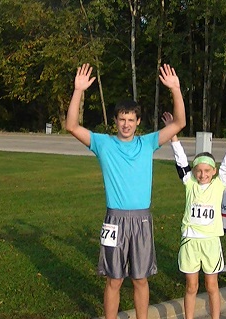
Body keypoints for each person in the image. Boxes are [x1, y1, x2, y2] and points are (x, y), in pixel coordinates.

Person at [65, 63, 186, 319]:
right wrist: (78, 91)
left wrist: (175, 89)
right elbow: (72, 126)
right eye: (122, 119)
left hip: (141, 220)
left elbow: (179, 123)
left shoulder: (147, 142)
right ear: (116, 120)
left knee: (141, 280)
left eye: (131, 120)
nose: (126, 124)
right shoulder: (103, 144)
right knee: (114, 280)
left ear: (138, 121)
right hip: (114, 220)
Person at [162, 112, 226, 319]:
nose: (202, 175)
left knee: (212, 286)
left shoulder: (219, 184)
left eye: (207, 171)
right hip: (190, 241)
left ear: (214, 171)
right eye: (199, 170)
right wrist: (173, 135)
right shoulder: (190, 183)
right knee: (191, 286)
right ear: (194, 171)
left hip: (211, 242)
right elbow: (181, 160)